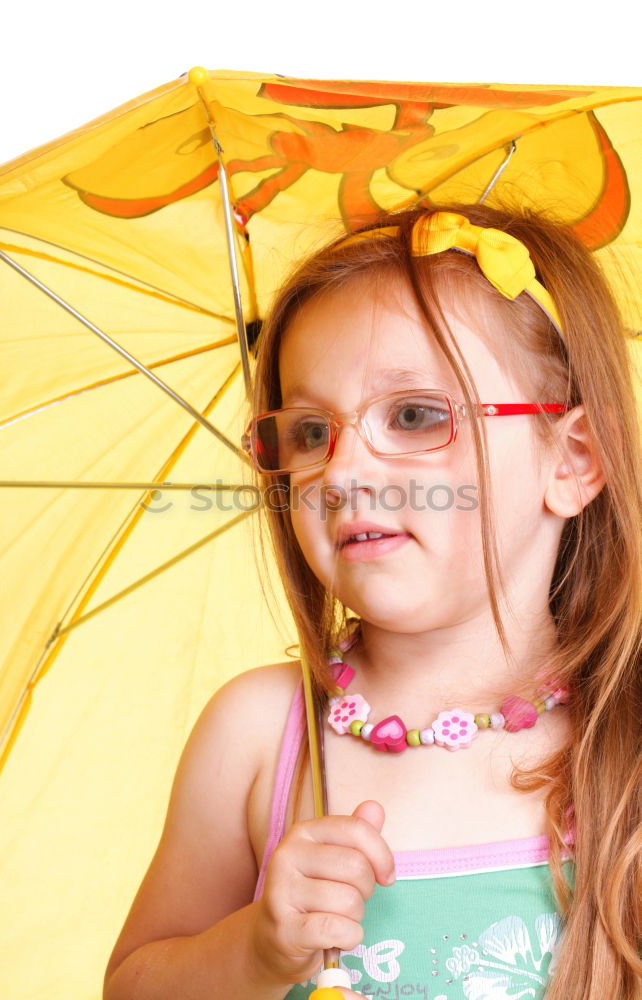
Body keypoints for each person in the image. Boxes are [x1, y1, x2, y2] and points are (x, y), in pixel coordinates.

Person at [102, 204, 642, 1000]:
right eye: (311, 431)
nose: (343, 473)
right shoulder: (258, 737)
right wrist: (252, 954)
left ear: (571, 460)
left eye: (417, 415)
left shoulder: (623, 747)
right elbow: (133, 986)